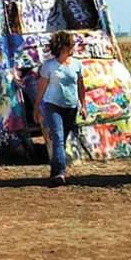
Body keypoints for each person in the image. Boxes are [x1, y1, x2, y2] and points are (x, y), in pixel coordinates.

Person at [35, 31, 85, 186]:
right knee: (57, 137)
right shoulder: (49, 66)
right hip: (52, 106)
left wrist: (83, 104)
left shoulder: (77, 64)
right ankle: (61, 172)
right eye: (71, 44)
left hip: (71, 106)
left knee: (61, 140)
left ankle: (54, 170)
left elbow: (81, 86)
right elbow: (41, 88)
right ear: (63, 46)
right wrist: (36, 107)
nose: (73, 47)